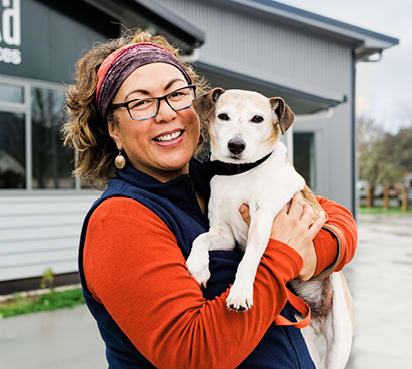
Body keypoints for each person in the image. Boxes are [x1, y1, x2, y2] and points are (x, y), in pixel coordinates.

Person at [63, 29, 357, 369]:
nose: (166, 113)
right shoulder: (121, 220)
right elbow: (192, 354)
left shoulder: (217, 179)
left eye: (177, 94)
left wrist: (311, 255)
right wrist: (281, 259)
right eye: (141, 102)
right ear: (113, 129)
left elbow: (335, 216)